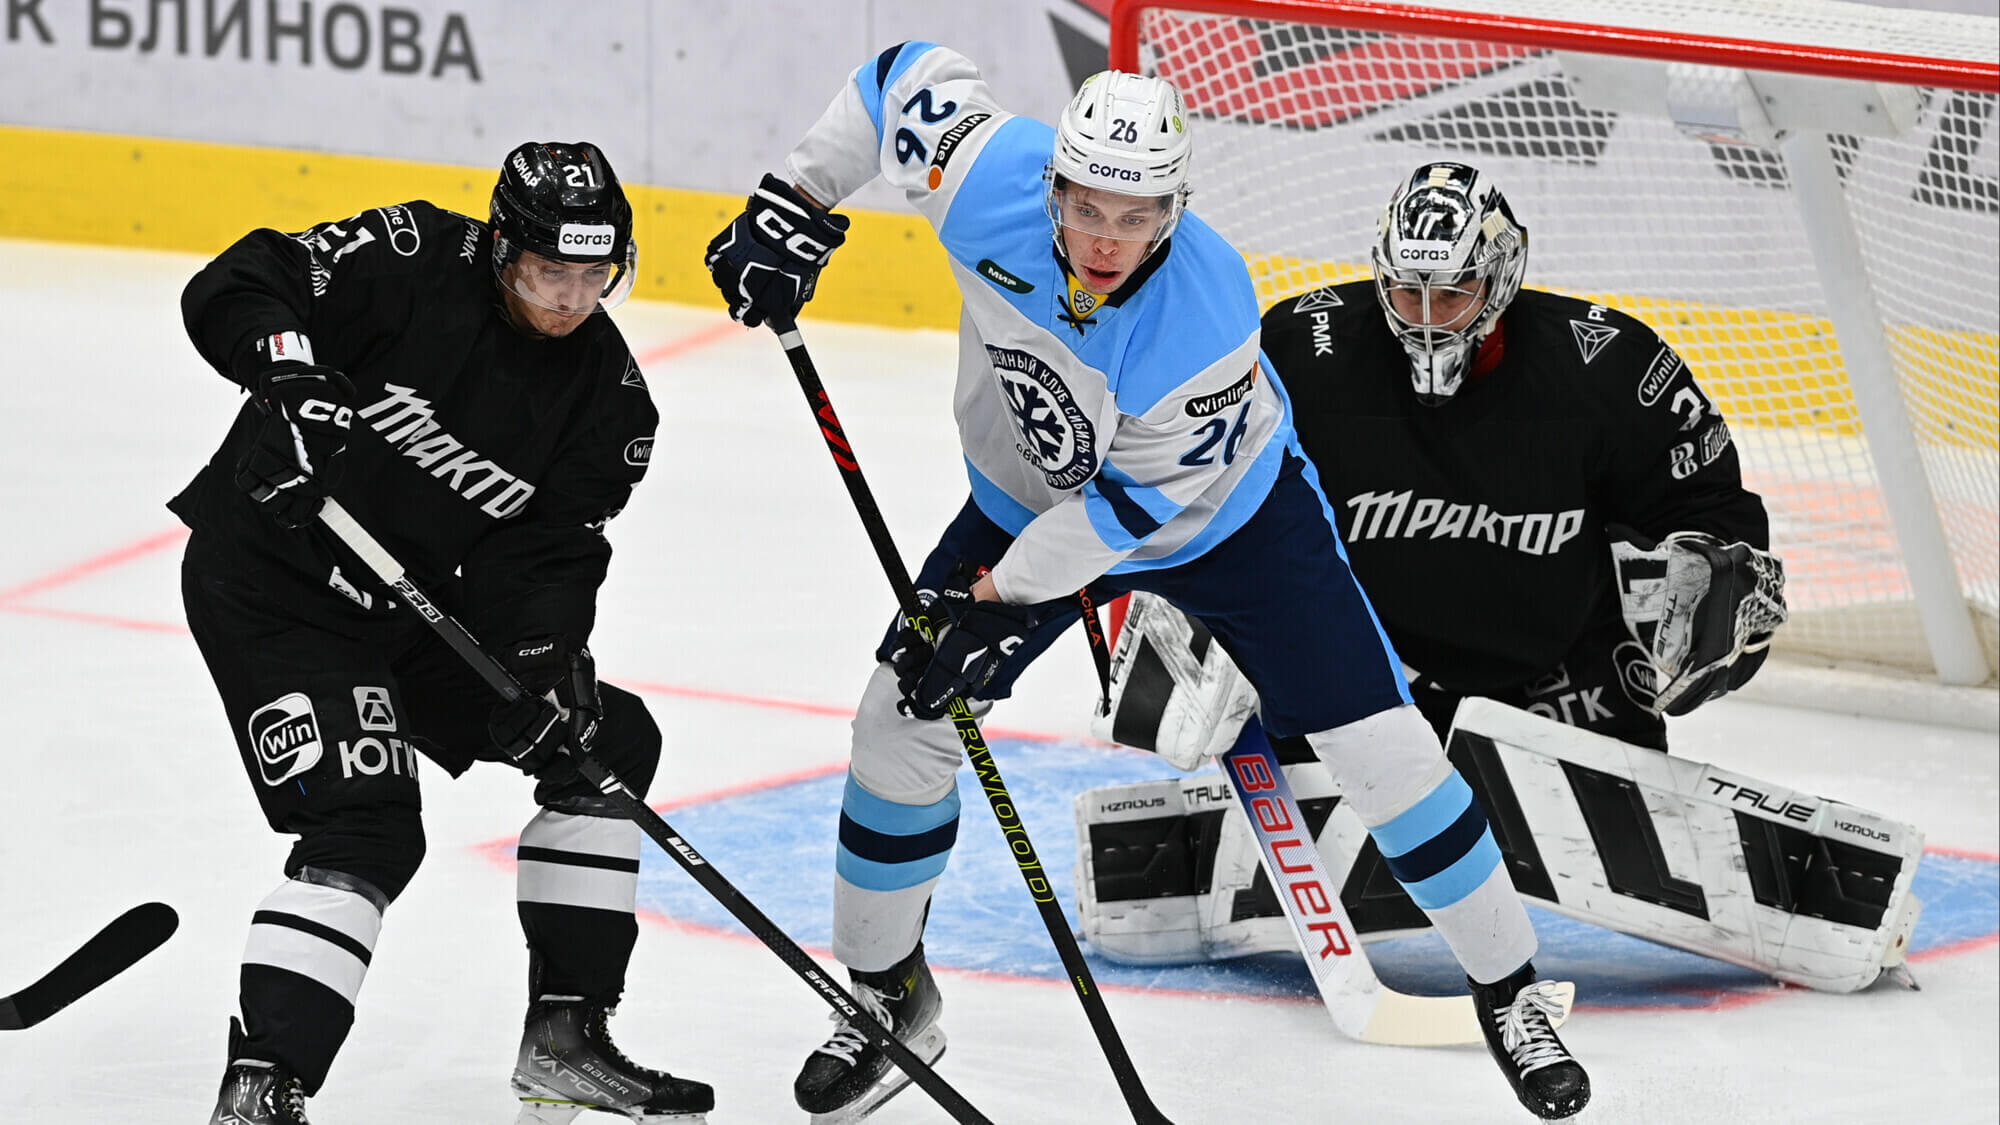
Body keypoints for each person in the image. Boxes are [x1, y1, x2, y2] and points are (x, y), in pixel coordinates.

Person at [704, 47, 1589, 1124]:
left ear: (1175, 207)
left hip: (1229, 521)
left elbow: (1124, 519)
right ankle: (889, 997)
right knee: (899, 720)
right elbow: (896, 76)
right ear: (1052, 183)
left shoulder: (1204, 317)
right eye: (1085, 206)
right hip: (1025, 499)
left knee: (1378, 746)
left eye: (1135, 217)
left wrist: (994, 604)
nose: (1104, 241)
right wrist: (795, 199)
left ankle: (1508, 987)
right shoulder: (984, 175)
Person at [1082, 161, 1818, 988]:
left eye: (1454, 294)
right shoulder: (1301, 349)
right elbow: (1189, 479)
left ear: (1499, 278)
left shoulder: (1612, 369)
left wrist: (1720, 586)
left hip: (1559, 677)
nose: (1427, 320)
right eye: (1407, 293)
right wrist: (1180, 605)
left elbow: (1715, 512)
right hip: (1361, 675)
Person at [174, 141, 713, 1124]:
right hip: (272, 582)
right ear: (501, 248)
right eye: (548, 272)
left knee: (606, 747)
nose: (570, 299)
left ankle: (565, 1034)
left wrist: (541, 667)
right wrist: (286, 379)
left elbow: (544, 560)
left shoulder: (609, 401)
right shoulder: (412, 257)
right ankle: (264, 1081)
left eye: (595, 276)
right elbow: (244, 278)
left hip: (403, 606)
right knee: (368, 820)